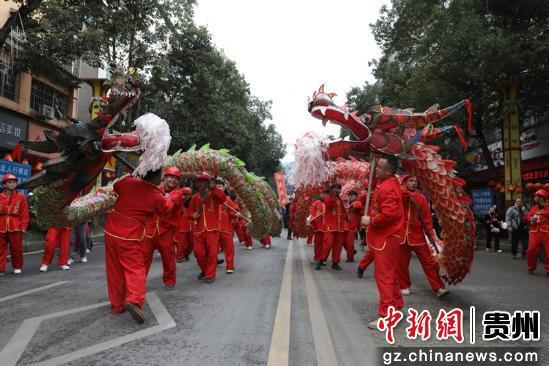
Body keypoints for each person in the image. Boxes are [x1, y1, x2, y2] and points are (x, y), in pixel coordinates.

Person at [103, 169, 174, 323]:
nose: (162, 178)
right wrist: (168, 198)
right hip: (129, 235)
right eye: (161, 176)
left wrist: (132, 176)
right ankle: (134, 299)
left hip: (111, 230)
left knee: (114, 269)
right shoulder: (156, 196)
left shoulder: (129, 182)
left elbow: (117, 187)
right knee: (136, 268)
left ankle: (116, 305)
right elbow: (166, 209)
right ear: (154, 177)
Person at [361, 156, 404, 329]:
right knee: (390, 274)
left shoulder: (388, 187)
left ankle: (387, 316)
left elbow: (389, 215)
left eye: (378, 167)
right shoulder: (388, 183)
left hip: (387, 237)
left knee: (384, 277)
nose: (375, 169)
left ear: (389, 171)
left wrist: (370, 220)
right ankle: (396, 305)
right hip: (389, 236)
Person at [396, 175, 448, 298]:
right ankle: (404, 286)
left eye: (415, 181)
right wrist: (404, 195)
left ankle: (438, 287)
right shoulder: (399, 195)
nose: (414, 183)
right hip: (401, 235)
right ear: (404, 182)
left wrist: (430, 234)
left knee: (428, 262)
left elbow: (427, 218)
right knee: (401, 263)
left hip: (417, 236)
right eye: (411, 181)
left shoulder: (421, 198)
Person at [143, 167, 183, 290]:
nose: (173, 180)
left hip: (166, 231)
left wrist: (162, 196)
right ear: (164, 178)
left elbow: (169, 201)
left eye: (176, 179)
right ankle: (139, 281)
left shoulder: (178, 193)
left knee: (168, 257)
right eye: (171, 177)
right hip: (150, 230)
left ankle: (170, 280)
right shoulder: (156, 189)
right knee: (143, 257)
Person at [189, 172, 226, 283]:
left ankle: (210, 275)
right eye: (198, 182)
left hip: (212, 229)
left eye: (203, 182)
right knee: (198, 252)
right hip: (198, 230)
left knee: (212, 253)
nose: (200, 184)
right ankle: (206, 270)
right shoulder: (194, 198)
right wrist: (193, 215)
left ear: (207, 183)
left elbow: (222, 198)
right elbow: (189, 212)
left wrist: (213, 187)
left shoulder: (214, 195)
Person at [0, 173, 29, 275]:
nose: (12, 184)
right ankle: (1, 268)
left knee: (16, 248)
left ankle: (17, 266)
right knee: (0, 248)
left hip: (15, 225)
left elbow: (24, 213)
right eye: (10, 182)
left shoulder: (21, 197)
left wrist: (23, 226)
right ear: (4, 184)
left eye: (14, 182)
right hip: (1, 224)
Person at [315, 183, 347, 271]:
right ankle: (320, 261)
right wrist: (333, 195)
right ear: (332, 189)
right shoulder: (328, 198)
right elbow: (331, 204)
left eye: (339, 189)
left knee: (338, 246)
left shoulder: (340, 199)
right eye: (336, 188)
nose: (338, 190)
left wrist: (346, 218)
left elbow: (343, 211)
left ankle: (335, 262)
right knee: (327, 244)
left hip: (340, 226)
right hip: (330, 226)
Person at [524, 189, 549, 275]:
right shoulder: (533, 208)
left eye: (536, 196)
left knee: (548, 253)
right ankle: (531, 267)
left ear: (542, 198)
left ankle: (548, 269)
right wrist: (530, 218)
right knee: (531, 251)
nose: (535, 198)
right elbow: (527, 216)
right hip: (535, 232)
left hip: (546, 232)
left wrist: (541, 213)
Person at [216, 179, 237, 273]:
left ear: (224, 188)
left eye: (219, 187)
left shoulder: (227, 199)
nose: (217, 188)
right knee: (211, 248)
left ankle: (230, 266)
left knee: (229, 248)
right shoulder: (210, 198)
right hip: (213, 228)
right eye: (216, 187)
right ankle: (211, 265)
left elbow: (233, 210)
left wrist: (237, 214)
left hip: (226, 228)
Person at [307, 190, 327, 263]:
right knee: (318, 243)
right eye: (322, 194)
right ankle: (317, 257)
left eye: (325, 194)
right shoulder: (316, 203)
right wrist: (312, 219)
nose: (323, 196)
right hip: (318, 227)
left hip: (327, 227)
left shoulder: (329, 203)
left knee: (325, 244)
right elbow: (312, 213)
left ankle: (322, 258)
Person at [175, 187, 193, 262]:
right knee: (181, 243)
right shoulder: (179, 203)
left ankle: (186, 254)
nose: (186, 196)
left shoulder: (192, 202)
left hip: (191, 226)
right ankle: (179, 257)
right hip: (181, 226)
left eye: (188, 194)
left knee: (192, 242)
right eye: (184, 194)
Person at [344, 190, 362, 262]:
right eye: (350, 195)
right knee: (343, 242)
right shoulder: (347, 204)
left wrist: (350, 204)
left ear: (356, 196)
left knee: (349, 242)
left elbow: (358, 205)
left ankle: (350, 257)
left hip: (352, 226)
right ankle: (352, 251)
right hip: (345, 226)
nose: (351, 197)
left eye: (352, 195)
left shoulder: (357, 202)